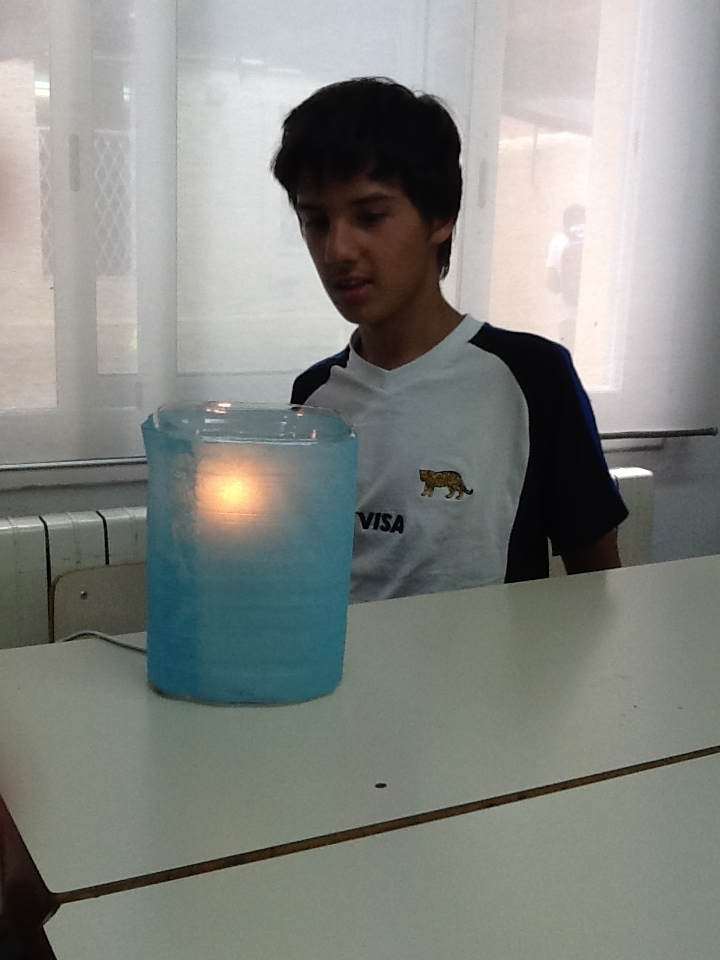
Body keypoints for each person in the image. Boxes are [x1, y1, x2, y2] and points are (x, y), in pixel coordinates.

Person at [271, 77, 627, 603]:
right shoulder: (315, 395)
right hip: (346, 658)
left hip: (494, 659)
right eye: (317, 222)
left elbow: (597, 586)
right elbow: (307, 576)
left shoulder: (532, 377)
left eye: (370, 216)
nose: (338, 250)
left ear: (440, 218)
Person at [546, 203, 585, 353]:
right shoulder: (596, 240)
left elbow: (551, 283)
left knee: (568, 353)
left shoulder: (558, 242)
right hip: (592, 316)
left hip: (567, 314)